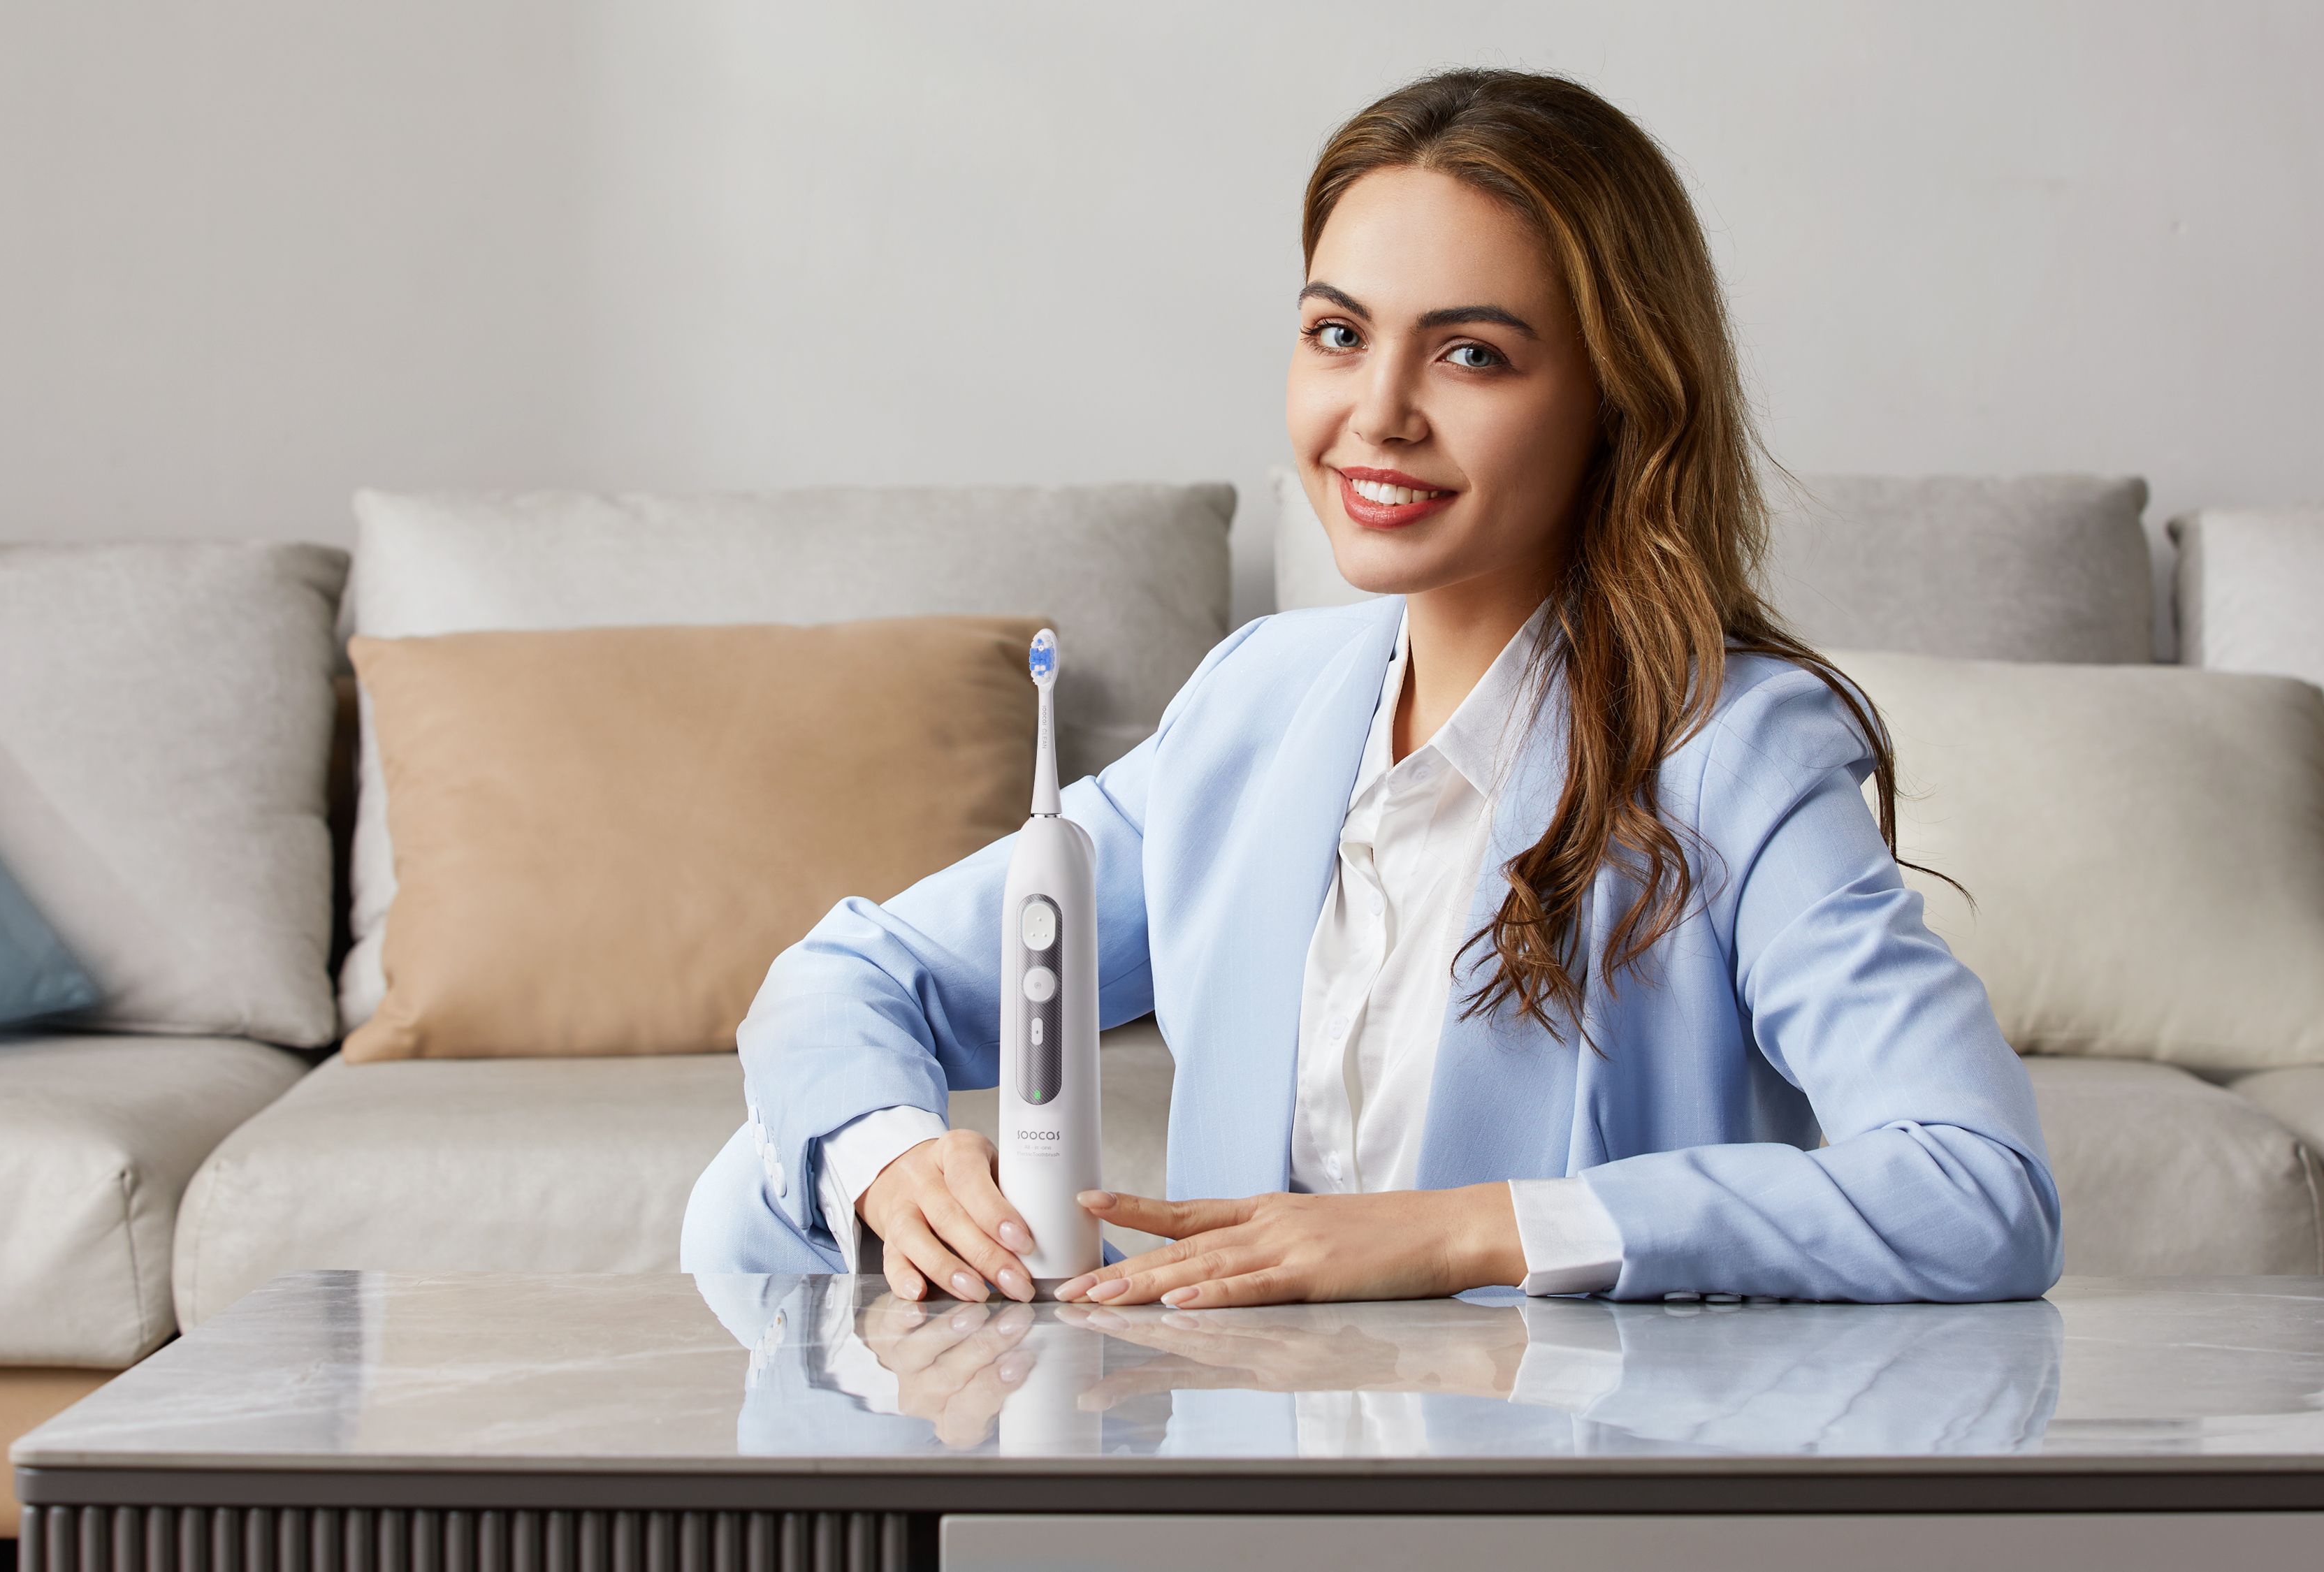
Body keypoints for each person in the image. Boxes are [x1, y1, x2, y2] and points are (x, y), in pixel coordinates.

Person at [680, 66, 2061, 1309]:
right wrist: (893, 1160)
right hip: (1241, 1426)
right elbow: (851, 978)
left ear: (1617, 397)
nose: (1377, 412)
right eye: (1337, 334)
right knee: (768, 1186)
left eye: (1470, 354)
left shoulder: (1732, 750)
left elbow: (1973, 1187)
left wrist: (1467, 1233)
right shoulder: (1257, 704)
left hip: (1541, 1452)